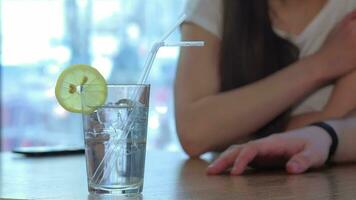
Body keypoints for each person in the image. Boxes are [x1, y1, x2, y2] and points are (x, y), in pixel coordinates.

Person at [174, 0, 356, 175]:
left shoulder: (348, 11)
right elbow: (193, 132)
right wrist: (320, 65)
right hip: (231, 184)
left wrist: (227, 131)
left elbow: (339, 120)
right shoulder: (214, 5)